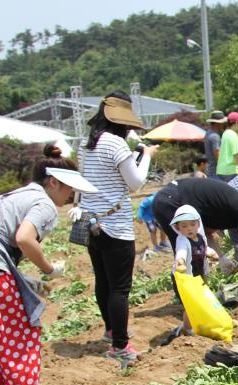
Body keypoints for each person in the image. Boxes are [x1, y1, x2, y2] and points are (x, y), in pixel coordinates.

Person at [0, 146, 93, 385]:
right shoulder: (44, 203)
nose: (70, 195)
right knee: (18, 336)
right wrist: (49, 269)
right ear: (53, 182)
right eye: (68, 189)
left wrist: (21, 278)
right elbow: (24, 238)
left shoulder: (15, 195)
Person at [79, 91, 158, 365]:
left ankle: (111, 330)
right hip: (115, 225)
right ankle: (120, 346)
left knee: (103, 280)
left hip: (91, 221)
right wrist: (146, 156)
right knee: (120, 288)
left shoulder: (85, 143)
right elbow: (135, 183)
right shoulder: (116, 144)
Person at [152, 178, 238, 297]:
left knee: (194, 250)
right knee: (189, 251)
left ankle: (193, 297)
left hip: (170, 197)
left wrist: (221, 257)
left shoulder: (232, 209)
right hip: (172, 200)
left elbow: (205, 233)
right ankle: (188, 300)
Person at [170, 205, 212, 336]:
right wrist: (180, 262)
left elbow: (204, 248)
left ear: (198, 224)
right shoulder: (182, 241)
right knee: (190, 304)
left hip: (198, 275)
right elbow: (181, 252)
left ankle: (201, 322)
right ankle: (187, 329)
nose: (189, 228)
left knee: (201, 299)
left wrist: (212, 253)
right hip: (185, 278)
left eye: (192, 224)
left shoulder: (200, 237)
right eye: (184, 226)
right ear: (178, 228)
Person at [214, 111, 238, 181]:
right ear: (236, 122)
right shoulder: (233, 135)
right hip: (231, 171)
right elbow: (236, 154)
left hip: (221, 170)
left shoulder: (225, 133)